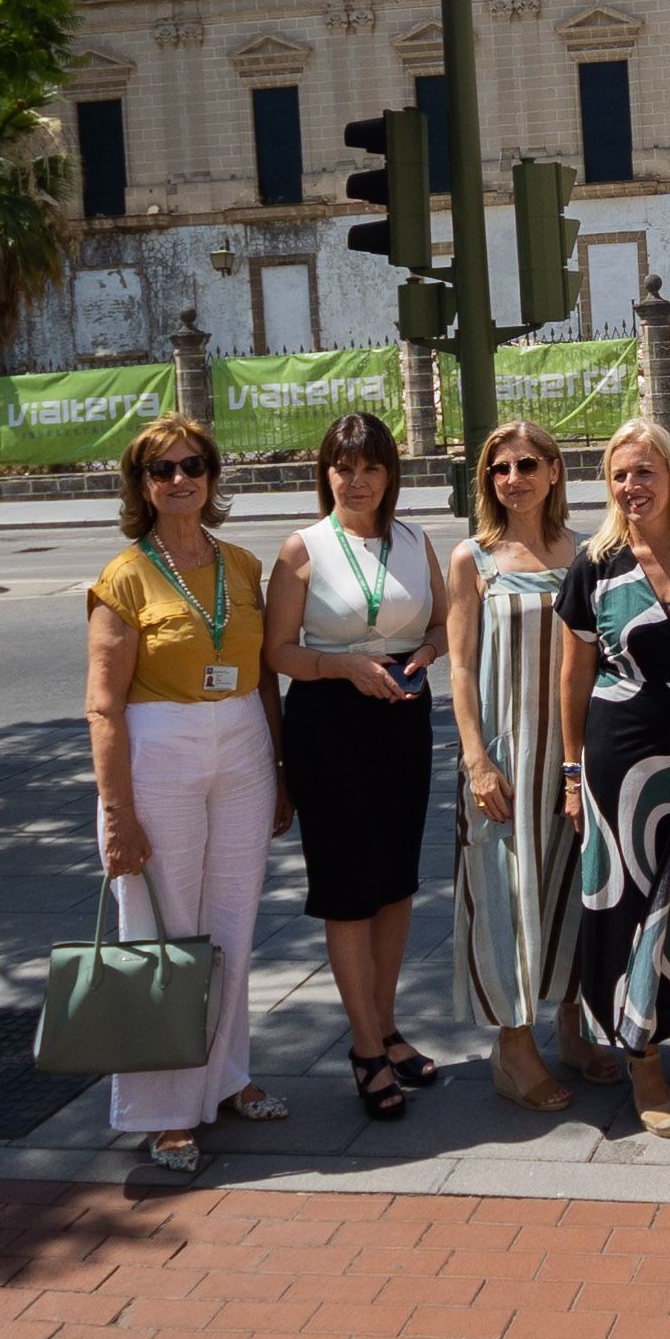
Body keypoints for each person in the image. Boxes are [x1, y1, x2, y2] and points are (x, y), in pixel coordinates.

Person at [82, 415, 292, 1176]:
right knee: (162, 933)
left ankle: (225, 1076)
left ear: (212, 475)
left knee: (231, 926)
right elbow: (103, 706)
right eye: (162, 469)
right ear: (142, 485)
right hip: (159, 750)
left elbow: (264, 672)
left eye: (193, 465)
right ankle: (162, 1112)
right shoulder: (123, 577)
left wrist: (280, 764)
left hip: (239, 744)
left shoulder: (240, 564)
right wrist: (118, 814)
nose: (180, 479)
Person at [558, 418, 670, 1138]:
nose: (631, 487)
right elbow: (573, 676)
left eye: (644, 473)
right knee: (629, 904)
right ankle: (641, 1060)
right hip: (620, 763)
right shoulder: (596, 562)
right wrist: (572, 773)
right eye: (619, 476)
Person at [264, 412, 448, 1122]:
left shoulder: (413, 539)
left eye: (371, 466)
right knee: (348, 891)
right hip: (330, 725)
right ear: (327, 474)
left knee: (397, 883)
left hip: (401, 719)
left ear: (390, 474)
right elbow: (277, 651)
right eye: (344, 467)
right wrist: (340, 667)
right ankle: (365, 1048)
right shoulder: (303, 549)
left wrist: (427, 655)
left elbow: (440, 621)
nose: (358, 479)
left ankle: (388, 1024)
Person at [447, 418, 615, 1109]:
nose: (512, 479)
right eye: (499, 468)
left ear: (553, 472)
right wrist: (476, 758)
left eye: (525, 464)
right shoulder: (473, 559)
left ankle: (572, 1029)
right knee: (505, 895)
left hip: (575, 753)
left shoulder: (589, 552)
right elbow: (458, 666)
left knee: (572, 889)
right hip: (509, 753)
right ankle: (513, 1049)